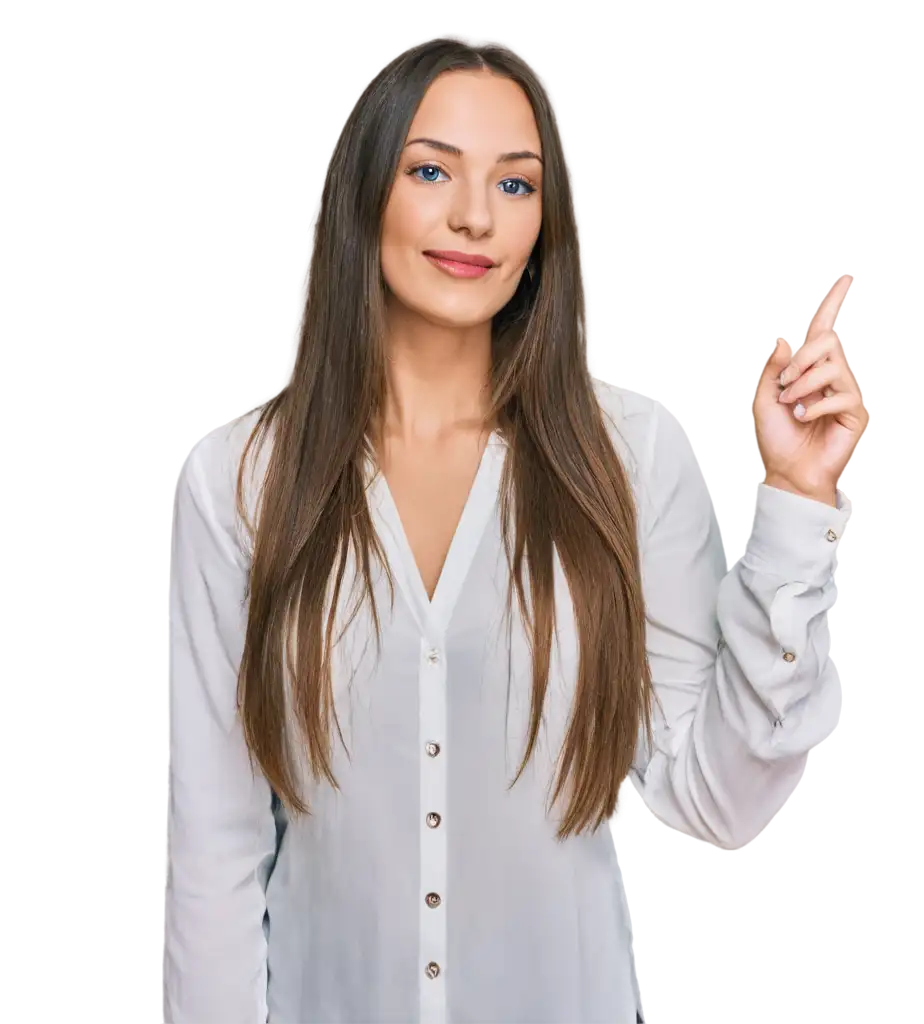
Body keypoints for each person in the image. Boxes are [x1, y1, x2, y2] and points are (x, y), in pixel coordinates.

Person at [162, 32, 867, 1024]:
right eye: (431, 169)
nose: (472, 217)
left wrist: (798, 503)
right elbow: (214, 847)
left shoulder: (627, 456)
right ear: (367, 192)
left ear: (545, 225)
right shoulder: (236, 481)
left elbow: (718, 798)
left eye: (515, 185)